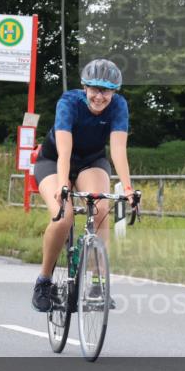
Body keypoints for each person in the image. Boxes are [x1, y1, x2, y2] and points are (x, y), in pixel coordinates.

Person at [31, 59, 135, 312]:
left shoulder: (119, 106)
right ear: (84, 87)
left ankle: (98, 284)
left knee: (100, 209)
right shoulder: (69, 102)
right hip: (55, 160)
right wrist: (62, 186)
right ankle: (44, 281)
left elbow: (118, 151)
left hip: (91, 161)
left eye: (106, 90)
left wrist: (129, 189)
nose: (99, 96)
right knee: (63, 215)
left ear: (114, 92)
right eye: (95, 89)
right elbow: (64, 151)